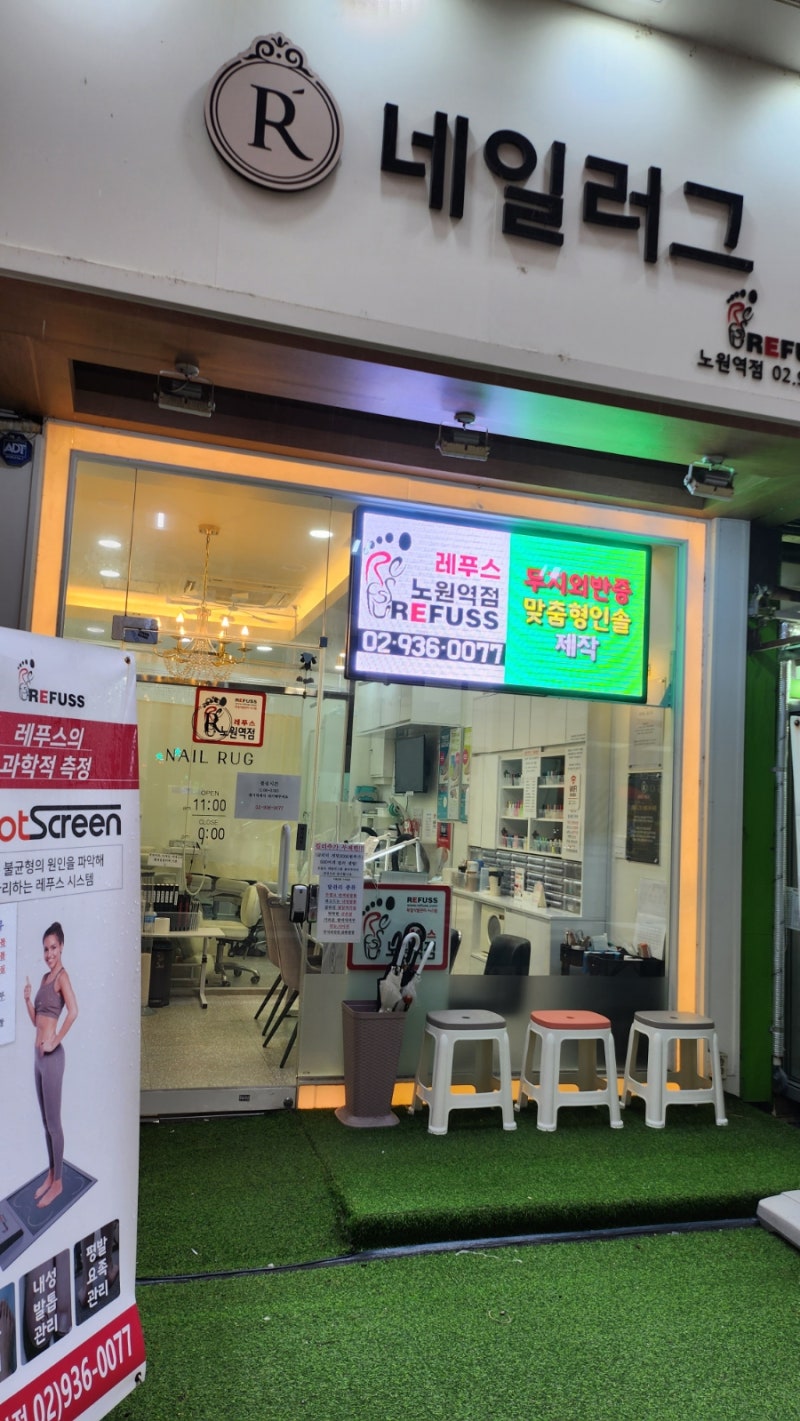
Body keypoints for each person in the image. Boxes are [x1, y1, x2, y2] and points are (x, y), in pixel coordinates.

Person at [23, 922, 78, 1209]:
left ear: (62, 947)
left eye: (53, 948)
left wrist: (55, 1040)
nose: (49, 954)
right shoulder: (45, 978)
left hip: (53, 1058)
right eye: (45, 949)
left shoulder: (61, 977)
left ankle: (58, 1183)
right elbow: (37, 1021)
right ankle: (51, 1173)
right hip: (38, 1057)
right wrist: (27, 1000)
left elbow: (74, 1011)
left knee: (54, 1124)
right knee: (46, 1123)